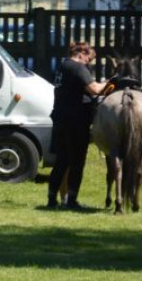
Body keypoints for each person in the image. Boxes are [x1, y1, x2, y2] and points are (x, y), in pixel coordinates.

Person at [46, 40, 107, 210]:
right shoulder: (77, 67)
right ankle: (71, 200)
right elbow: (94, 89)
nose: (89, 64)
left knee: (61, 161)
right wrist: (110, 83)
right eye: (89, 59)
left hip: (60, 117)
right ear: (81, 54)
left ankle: (52, 199)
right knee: (77, 162)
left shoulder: (62, 66)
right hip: (76, 120)